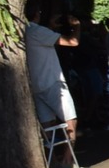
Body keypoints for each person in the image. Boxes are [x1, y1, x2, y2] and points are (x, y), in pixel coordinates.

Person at [25, 9, 78, 159]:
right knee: (70, 120)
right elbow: (73, 42)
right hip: (52, 82)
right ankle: (69, 159)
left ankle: (51, 160)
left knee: (48, 124)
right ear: (36, 14)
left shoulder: (24, 31)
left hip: (36, 85)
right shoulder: (38, 30)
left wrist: (51, 26)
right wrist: (76, 26)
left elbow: (43, 40)